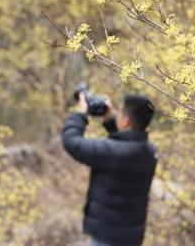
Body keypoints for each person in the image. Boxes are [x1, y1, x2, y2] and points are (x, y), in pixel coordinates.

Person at [61, 92, 158, 246]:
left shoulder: (113, 152)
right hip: (131, 236)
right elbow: (125, 144)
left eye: (120, 112)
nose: (117, 115)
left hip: (108, 238)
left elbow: (72, 142)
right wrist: (109, 120)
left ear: (125, 121)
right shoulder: (150, 151)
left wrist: (79, 115)